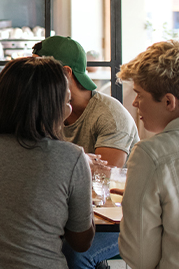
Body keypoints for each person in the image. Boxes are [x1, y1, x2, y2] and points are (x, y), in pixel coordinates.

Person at [0, 56, 95, 268]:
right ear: (51, 107)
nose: (69, 109)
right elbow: (81, 242)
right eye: (66, 101)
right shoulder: (70, 156)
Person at [33, 36, 138, 269]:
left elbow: (102, 181)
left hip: (118, 221)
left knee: (75, 254)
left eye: (42, 69)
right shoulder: (45, 109)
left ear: (66, 72)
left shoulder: (109, 116)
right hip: (71, 215)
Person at [117, 40, 179, 268]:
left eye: (139, 94)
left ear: (168, 101)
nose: (134, 103)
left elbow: (139, 257)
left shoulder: (150, 154)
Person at [33, 36, 139, 167]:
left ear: (66, 73)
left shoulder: (110, 116)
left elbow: (104, 179)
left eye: (38, 71)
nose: (31, 76)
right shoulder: (41, 107)